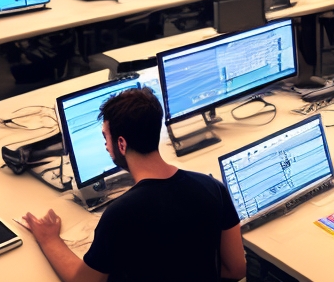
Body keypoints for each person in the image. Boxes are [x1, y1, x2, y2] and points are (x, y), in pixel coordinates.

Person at [24, 89, 246, 282]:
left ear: (121, 144)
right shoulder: (213, 188)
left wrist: (49, 239)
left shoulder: (120, 214)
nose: (106, 145)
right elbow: (236, 269)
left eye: (105, 137)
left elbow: (82, 280)